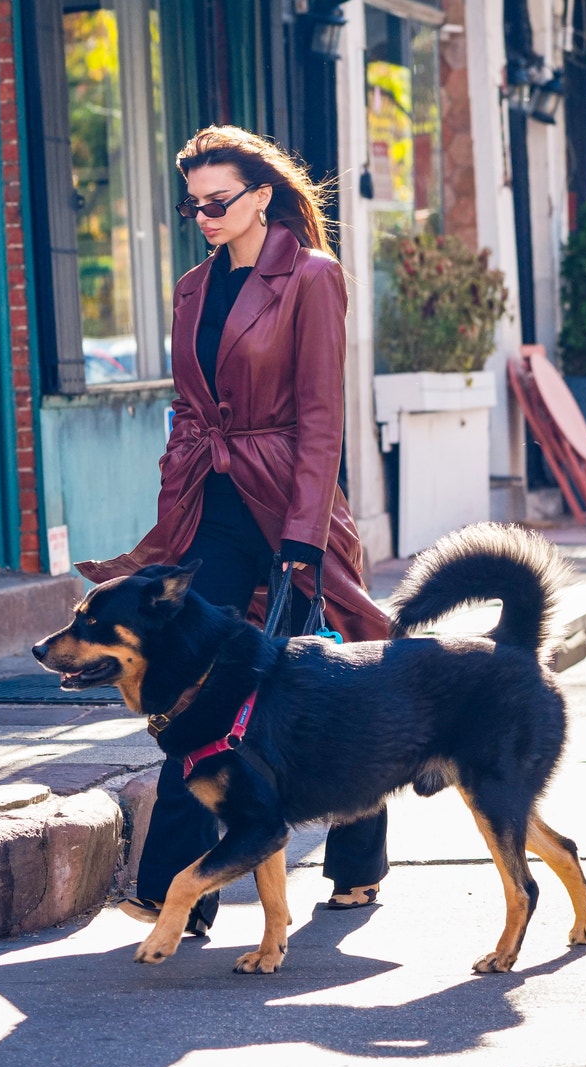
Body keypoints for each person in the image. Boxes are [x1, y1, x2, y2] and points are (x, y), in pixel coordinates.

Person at [74, 125, 391, 934]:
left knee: (330, 682)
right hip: (211, 506)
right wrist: (173, 488)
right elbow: (189, 406)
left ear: (261, 197)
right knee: (189, 684)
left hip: (290, 498)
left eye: (218, 201)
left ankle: (358, 862)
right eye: (194, 205)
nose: (206, 216)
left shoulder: (312, 277)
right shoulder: (192, 288)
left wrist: (304, 535)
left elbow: (322, 418)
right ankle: (176, 889)